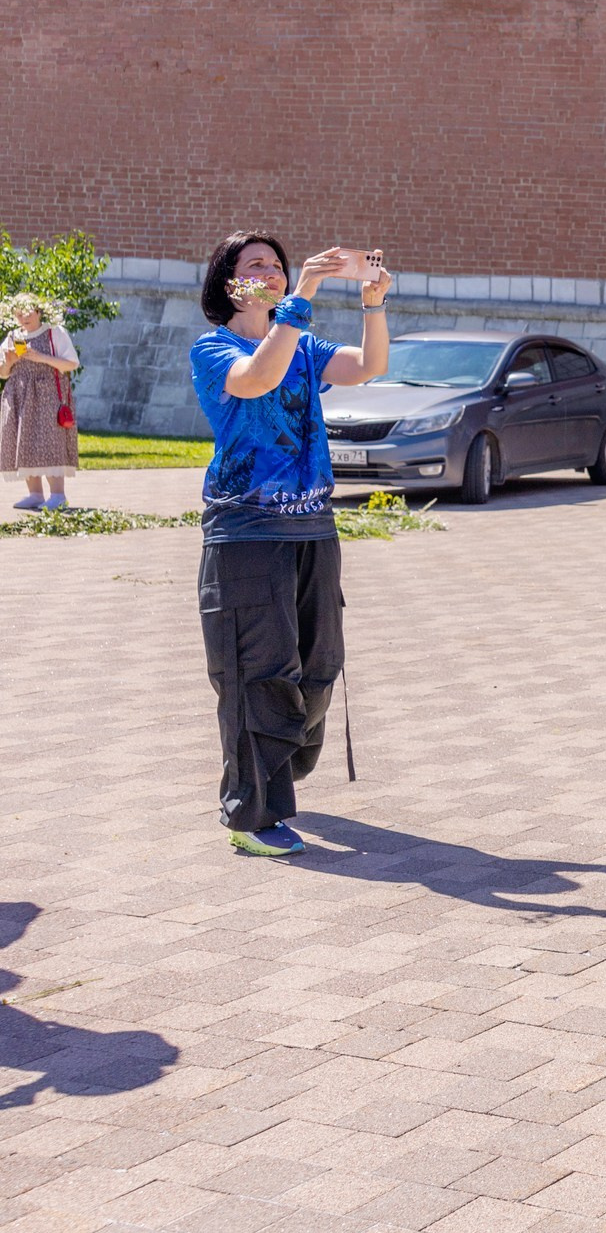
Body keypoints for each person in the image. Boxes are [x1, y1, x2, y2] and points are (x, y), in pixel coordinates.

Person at [193, 234, 391, 857]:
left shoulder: (302, 341)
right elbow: (255, 381)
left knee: (316, 667)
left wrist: (373, 304)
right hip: (247, 532)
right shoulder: (213, 347)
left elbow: (366, 368)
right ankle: (250, 817)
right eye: (256, 265)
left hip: (313, 527)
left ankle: (280, 769)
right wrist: (301, 294)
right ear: (230, 284)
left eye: (278, 265)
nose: (272, 272)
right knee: (258, 673)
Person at [0, 293, 80, 510]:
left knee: (49, 439)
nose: (22, 318)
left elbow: (72, 364)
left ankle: (58, 495)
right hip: (19, 395)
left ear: (38, 311)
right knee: (23, 440)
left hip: (47, 396)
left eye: (26, 313)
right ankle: (35, 494)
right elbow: (3, 373)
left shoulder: (54, 332)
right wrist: (9, 362)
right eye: (18, 314)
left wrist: (40, 357)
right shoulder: (12, 336)